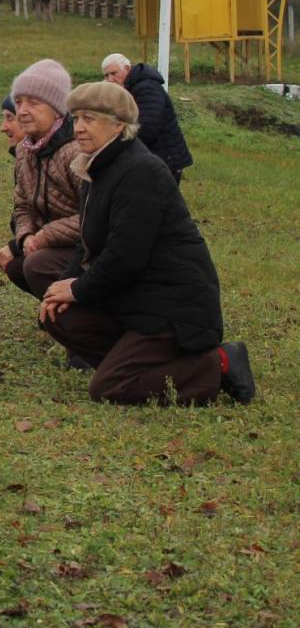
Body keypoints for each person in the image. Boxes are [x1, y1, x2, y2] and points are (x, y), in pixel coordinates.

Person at [38, 82, 255, 405]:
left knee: (109, 388)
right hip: (134, 298)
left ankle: (219, 362)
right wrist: (60, 288)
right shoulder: (95, 168)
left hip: (172, 306)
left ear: (119, 125)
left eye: (90, 119)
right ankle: (134, 364)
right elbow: (87, 245)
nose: (79, 128)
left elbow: (126, 256)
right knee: (58, 315)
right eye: (77, 118)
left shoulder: (141, 171)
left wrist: (79, 289)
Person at [0, 59, 82, 298]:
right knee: (15, 262)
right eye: (19, 102)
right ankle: (58, 308)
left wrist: (45, 236)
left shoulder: (76, 151)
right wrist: (24, 237)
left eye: (33, 103)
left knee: (36, 264)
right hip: (53, 241)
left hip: (89, 245)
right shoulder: (26, 149)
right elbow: (22, 205)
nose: (22, 110)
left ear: (57, 110)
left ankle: (79, 313)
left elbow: (96, 215)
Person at [101, 53, 192, 182]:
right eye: (106, 75)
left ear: (127, 69)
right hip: (152, 158)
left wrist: (116, 149)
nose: (110, 79)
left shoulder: (147, 88)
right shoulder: (130, 89)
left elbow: (147, 129)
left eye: (114, 73)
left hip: (164, 159)